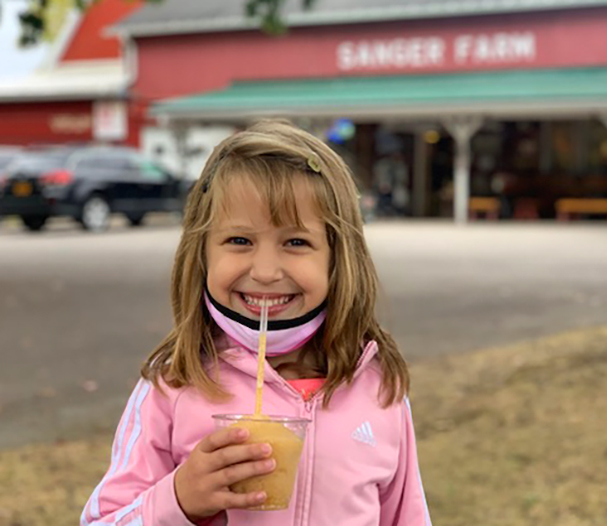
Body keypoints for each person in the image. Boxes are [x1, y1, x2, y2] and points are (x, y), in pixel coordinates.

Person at [80, 120, 432, 526]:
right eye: (240, 240)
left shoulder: (378, 386)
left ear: (338, 259)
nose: (265, 272)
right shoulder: (174, 385)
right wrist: (179, 500)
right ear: (201, 254)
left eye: (296, 242)